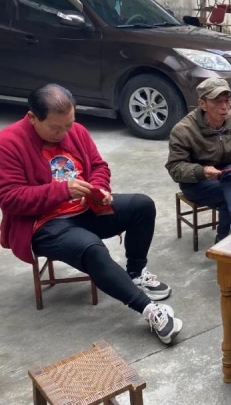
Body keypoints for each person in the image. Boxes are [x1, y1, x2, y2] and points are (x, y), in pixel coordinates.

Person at [0, 84, 182, 344]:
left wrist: (100, 188)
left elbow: (98, 166)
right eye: (55, 128)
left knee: (141, 205)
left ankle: (136, 272)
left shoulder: (76, 131)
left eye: (69, 124)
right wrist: (63, 190)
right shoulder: (8, 143)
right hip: (44, 223)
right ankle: (149, 310)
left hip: (87, 209)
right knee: (91, 247)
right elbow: (10, 198)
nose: (64, 133)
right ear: (32, 117)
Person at [166, 78, 231, 242]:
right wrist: (201, 171)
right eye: (217, 102)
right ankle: (227, 236)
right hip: (197, 183)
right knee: (229, 195)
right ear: (202, 104)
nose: (224, 106)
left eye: (227, 100)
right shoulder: (184, 130)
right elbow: (175, 168)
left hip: (229, 176)